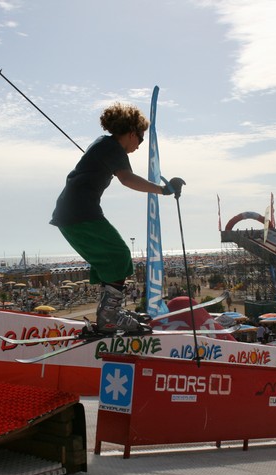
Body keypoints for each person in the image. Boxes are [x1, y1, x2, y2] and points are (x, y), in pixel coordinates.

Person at [50, 102, 184, 333]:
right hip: (80, 212)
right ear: (132, 133)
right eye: (140, 138)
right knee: (120, 256)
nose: (139, 145)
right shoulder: (112, 148)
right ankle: (109, 317)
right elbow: (127, 179)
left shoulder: (103, 144)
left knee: (109, 261)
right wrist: (163, 190)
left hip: (71, 212)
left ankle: (110, 312)